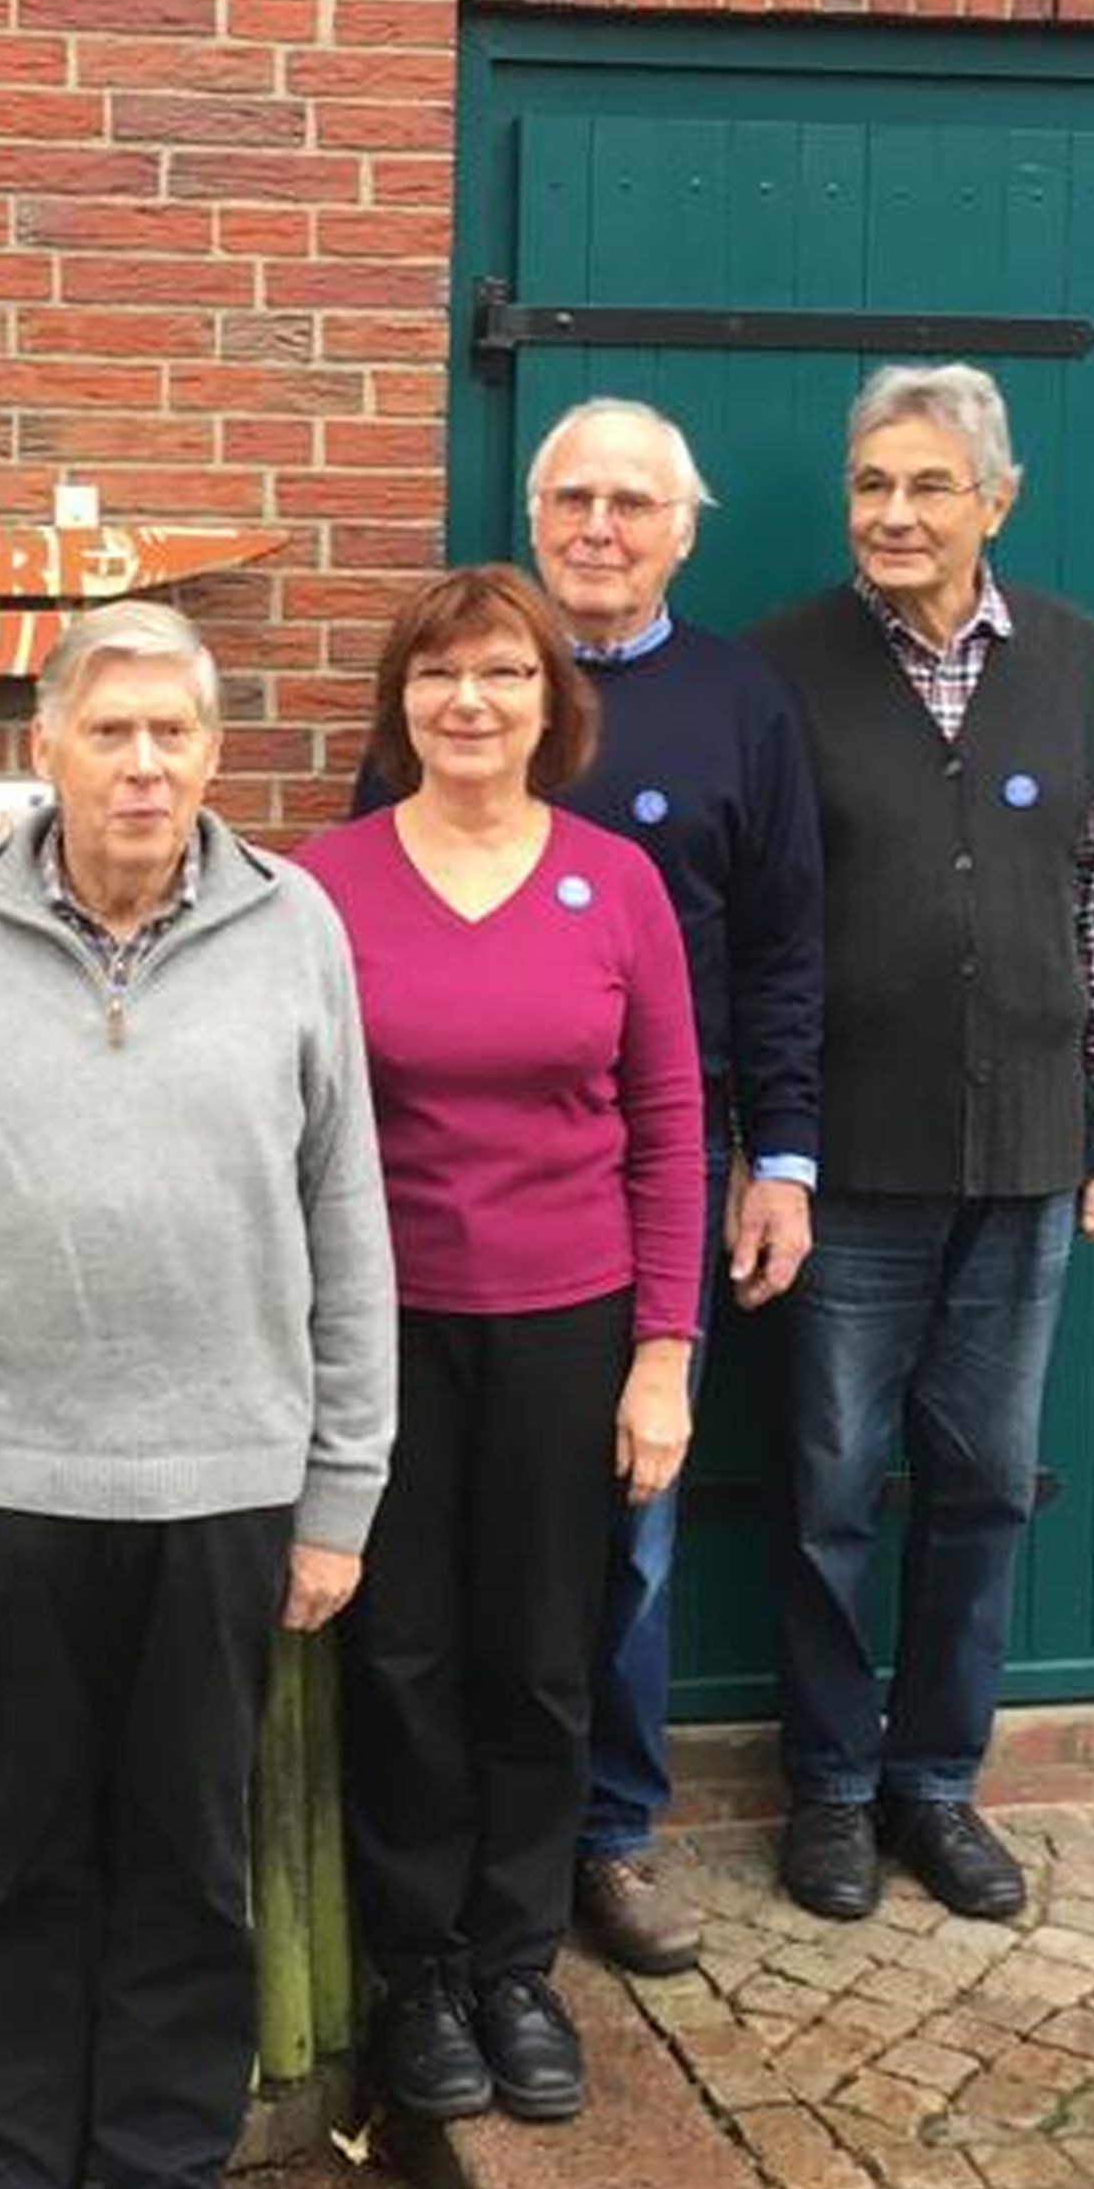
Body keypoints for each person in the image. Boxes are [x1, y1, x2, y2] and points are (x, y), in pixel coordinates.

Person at [0, 603, 395, 2189]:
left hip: (222, 1481)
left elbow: (345, 1224)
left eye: (173, 734)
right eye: (110, 732)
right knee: (7, 1855)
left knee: (185, 1853)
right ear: (44, 747)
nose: (143, 765)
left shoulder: (293, 928)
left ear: (213, 755)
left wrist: (336, 1492)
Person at [355, 400, 821, 1978]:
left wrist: (771, 1174)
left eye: (632, 500)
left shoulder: (729, 709)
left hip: (607, 1237)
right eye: (571, 496)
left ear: (683, 526)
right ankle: (433, 1943)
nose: (599, 524)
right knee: (418, 1625)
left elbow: (768, 963)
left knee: (598, 1585)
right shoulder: (369, 815)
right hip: (409, 1277)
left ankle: (583, 1862)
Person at [749, 364, 1094, 1926]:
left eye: (928, 486)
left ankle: (935, 1782)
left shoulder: (1076, 661)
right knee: (825, 1487)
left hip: (1027, 1158)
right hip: (844, 1161)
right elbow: (751, 920)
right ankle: (829, 1789)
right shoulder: (779, 668)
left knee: (983, 1482)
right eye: (871, 485)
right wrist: (757, 1143)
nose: (895, 514)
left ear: (997, 497)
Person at [301, 565, 704, 2125]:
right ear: (400, 704)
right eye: (438, 674)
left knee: (539, 1654)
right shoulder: (322, 882)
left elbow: (671, 1126)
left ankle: (514, 1961)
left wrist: (660, 1347)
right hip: (381, 1329)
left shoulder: (615, 886)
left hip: (567, 1323)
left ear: (553, 702)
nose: (468, 702)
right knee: (400, 1656)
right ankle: (416, 1976)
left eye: (503, 675)